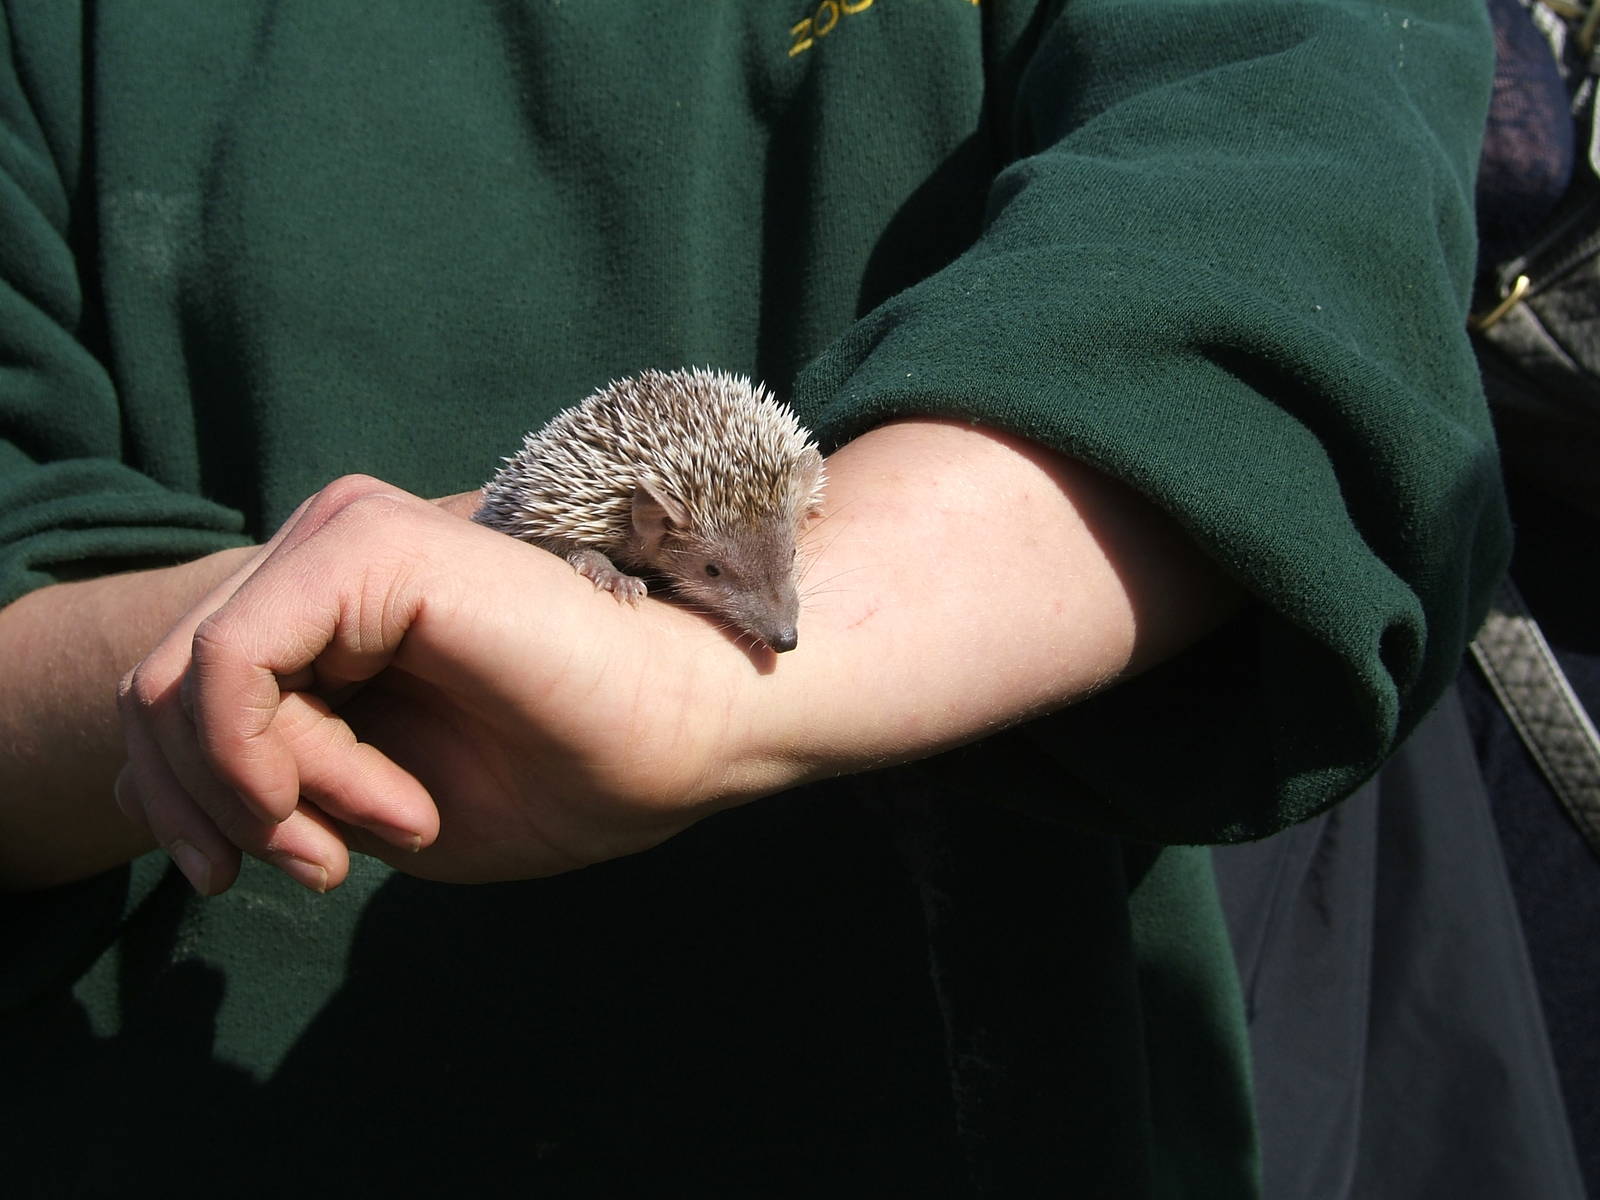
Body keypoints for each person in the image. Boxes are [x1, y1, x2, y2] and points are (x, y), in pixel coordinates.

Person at [0, 1, 1518, 1193]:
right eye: (731, 590)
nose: (768, 624)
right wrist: (268, 664)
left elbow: (1296, 229)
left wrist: (720, 679)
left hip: (971, 1106)